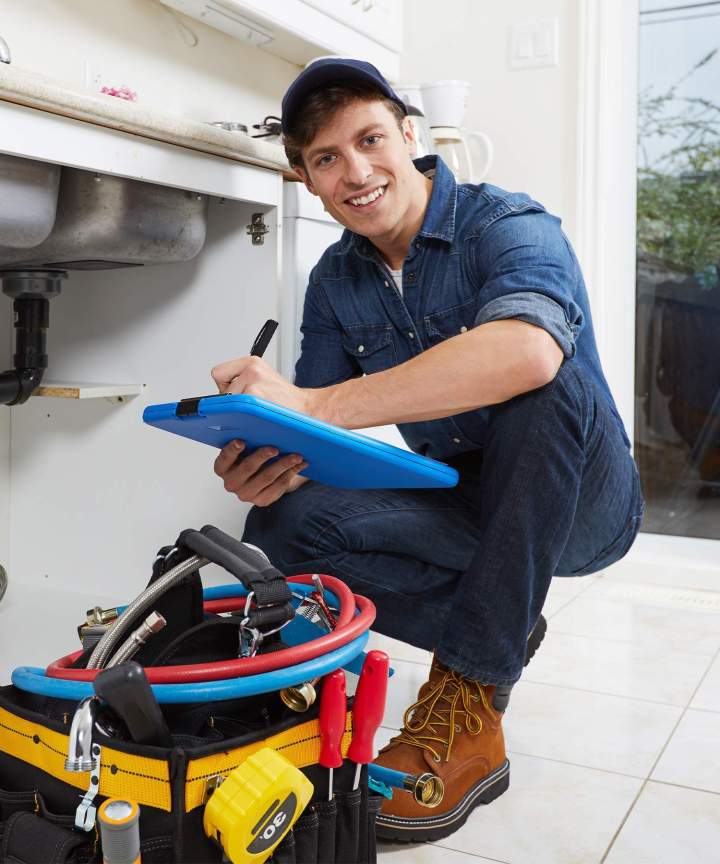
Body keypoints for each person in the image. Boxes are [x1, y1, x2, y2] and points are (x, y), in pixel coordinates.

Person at [210, 59, 644, 843]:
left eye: (371, 139)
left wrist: (313, 404)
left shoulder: (509, 223)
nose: (357, 171)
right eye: (327, 158)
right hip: (472, 503)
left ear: (412, 135)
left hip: (585, 504)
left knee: (537, 376)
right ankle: (452, 639)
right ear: (306, 179)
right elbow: (320, 431)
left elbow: (529, 356)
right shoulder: (336, 279)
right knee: (286, 523)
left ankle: (472, 701)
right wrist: (269, 456)